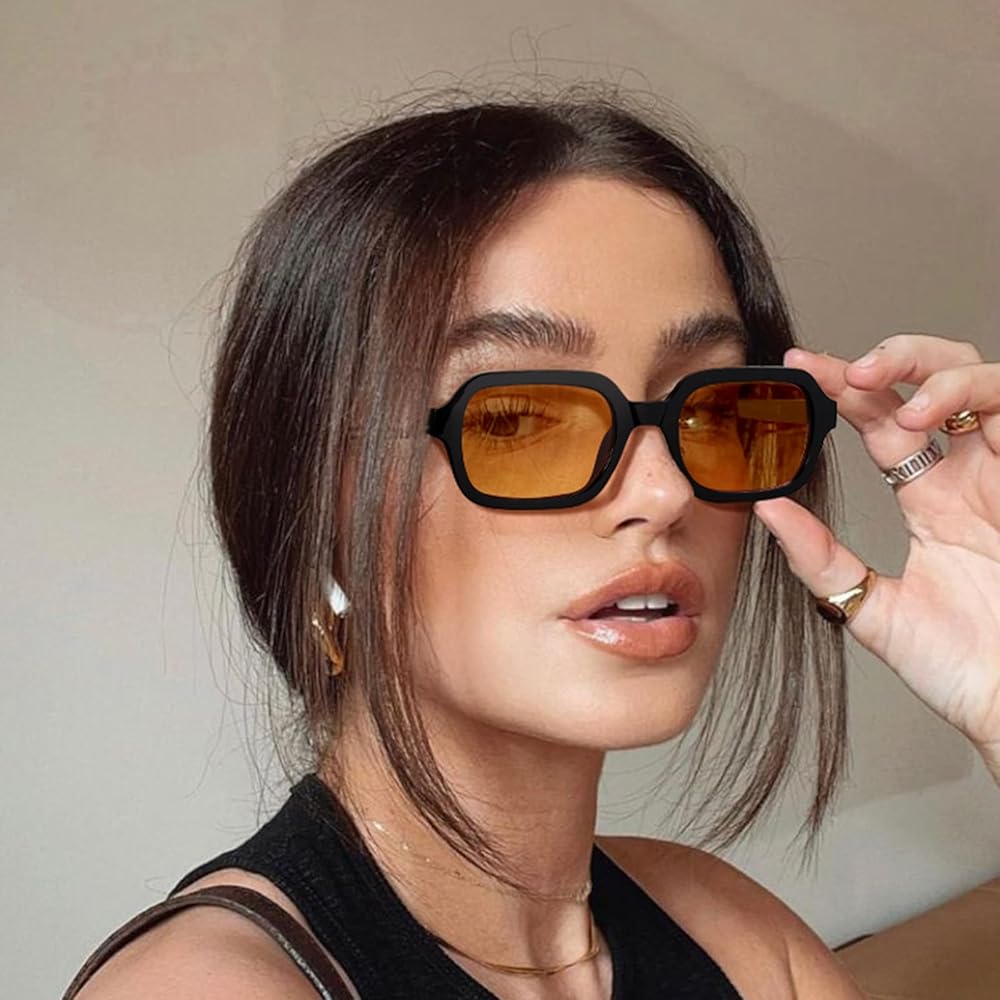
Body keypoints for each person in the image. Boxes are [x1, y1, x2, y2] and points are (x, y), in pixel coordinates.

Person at [63, 84, 1000, 1000]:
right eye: (520, 416)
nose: (666, 491)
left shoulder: (740, 941)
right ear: (320, 491)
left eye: (708, 402)